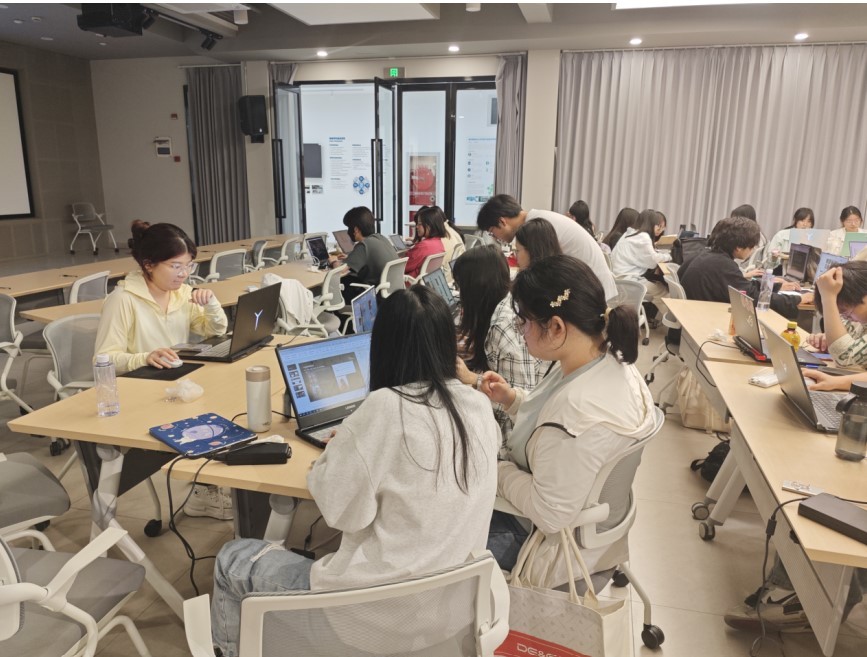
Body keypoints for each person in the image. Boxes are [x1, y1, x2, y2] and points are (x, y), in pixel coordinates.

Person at [210, 285, 500, 657]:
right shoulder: (477, 405)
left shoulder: (385, 407)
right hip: (450, 614)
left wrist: (340, 449)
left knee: (232, 559)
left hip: (373, 619)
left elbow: (341, 512)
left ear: (383, 346)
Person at [478, 255, 662, 588]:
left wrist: (495, 469)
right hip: (584, 520)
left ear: (557, 327)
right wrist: (512, 399)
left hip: (550, 548)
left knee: (438, 531)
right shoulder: (605, 359)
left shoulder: (577, 414)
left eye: (524, 321)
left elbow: (549, 514)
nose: (520, 331)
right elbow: (550, 417)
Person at [94, 221, 231, 520]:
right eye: (175, 266)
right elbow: (104, 358)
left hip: (173, 384)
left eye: (189, 266)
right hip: (138, 390)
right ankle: (203, 489)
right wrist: (145, 356)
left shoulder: (181, 293)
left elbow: (213, 331)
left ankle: (205, 485)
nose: (184, 274)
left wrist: (211, 304)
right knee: (213, 415)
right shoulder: (122, 300)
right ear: (149, 265)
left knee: (228, 403)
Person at [452, 245, 543, 443]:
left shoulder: (503, 326)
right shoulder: (506, 304)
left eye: (461, 287)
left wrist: (472, 380)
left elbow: (522, 407)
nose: (459, 294)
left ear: (474, 288)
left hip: (510, 439)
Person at [477, 194, 617, 300]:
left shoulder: (535, 226)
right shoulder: (537, 218)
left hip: (591, 293)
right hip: (588, 286)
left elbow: (540, 276)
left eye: (492, 232)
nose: (495, 238)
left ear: (502, 222)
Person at [678, 216, 810, 320]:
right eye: (752, 246)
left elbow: (740, 284)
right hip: (702, 323)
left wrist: (776, 287)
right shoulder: (722, 265)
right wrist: (798, 299)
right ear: (739, 247)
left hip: (690, 318)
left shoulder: (704, 255)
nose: (752, 250)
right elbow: (751, 297)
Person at [328, 206, 397, 303]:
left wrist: (333, 261)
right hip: (392, 294)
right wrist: (351, 258)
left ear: (356, 230)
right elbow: (370, 257)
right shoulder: (380, 238)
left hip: (374, 295)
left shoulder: (364, 245)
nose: (348, 231)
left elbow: (340, 271)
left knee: (333, 288)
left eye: (349, 227)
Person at [610, 209, 671, 318]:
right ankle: (671, 322)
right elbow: (653, 260)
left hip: (618, 279)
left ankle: (666, 321)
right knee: (662, 292)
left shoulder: (629, 233)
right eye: (658, 225)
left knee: (658, 286)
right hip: (628, 282)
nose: (659, 229)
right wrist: (670, 255)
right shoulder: (643, 237)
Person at [405, 204, 447, 280]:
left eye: (420, 224)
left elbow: (403, 266)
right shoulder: (438, 243)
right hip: (424, 283)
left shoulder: (424, 246)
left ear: (430, 225)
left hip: (408, 283)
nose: (417, 227)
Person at [730, 203, 768, 275]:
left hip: (743, 269)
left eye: (736, 219)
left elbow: (741, 257)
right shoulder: (755, 234)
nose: (733, 222)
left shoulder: (754, 237)